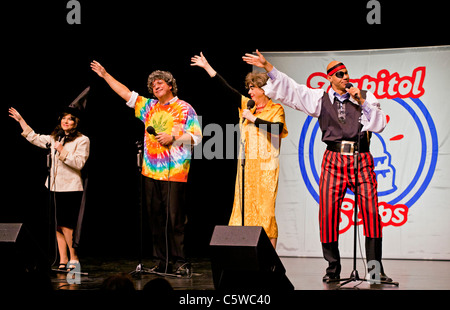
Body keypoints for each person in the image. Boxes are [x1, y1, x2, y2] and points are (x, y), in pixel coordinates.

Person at [243, 50, 393, 282]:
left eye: (346, 73)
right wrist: (267, 66)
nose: (345, 77)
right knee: (328, 214)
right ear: (330, 78)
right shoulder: (319, 98)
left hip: (360, 158)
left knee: (372, 213)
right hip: (333, 160)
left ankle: (375, 271)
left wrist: (361, 100)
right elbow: (290, 88)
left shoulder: (364, 96)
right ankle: (333, 268)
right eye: (340, 74)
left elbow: (380, 123)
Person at [91, 61, 202, 274]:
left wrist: (174, 136)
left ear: (170, 85)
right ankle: (162, 261)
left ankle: (180, 262)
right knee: (155, 219)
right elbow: (125, 92)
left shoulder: (185, 108)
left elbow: (196, 137)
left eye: (159, 83)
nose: (155, 86)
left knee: (174, 220)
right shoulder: (149, 106)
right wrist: (105, 75)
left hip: (175, 173)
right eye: (152, 85)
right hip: (150, 171)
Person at [191, 52, 288, 249]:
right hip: (246, 167)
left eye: (253, 88)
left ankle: (271, 260)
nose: (250, 92)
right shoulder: (247, 106)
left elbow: (278, 129)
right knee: (243, 210)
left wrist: (254, 120)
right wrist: (208, 67)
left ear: (263, 90)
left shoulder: (275, 109)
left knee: (266, 212)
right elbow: (226, 90)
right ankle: (246, 256)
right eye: (249, 88)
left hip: (267, 168)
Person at [9, 104, 90, 272]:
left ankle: (74, 259)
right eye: (64, 118)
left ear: (76, 123)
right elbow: (34, 137)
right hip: (53, 187)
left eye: (70, 119)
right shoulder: (56, 137)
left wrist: (62, 151)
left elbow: (79, 163)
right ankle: (63, 259)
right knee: (57, 225)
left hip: (70, 188)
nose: (66, 121)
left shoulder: (82, 140)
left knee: (68, 225)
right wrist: (21, 121)